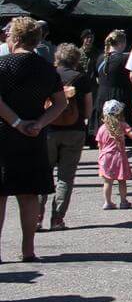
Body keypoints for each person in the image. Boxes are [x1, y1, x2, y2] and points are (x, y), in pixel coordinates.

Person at [0, 17, 68, 263]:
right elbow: (61, 103)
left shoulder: (2, 65)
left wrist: (16, 122)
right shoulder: (47, 68)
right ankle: (28, 250)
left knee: (0, 195)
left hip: (4, 134)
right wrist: (39, 123)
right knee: (28, 195)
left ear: (15, 38)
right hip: (33, 136)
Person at [47, 43, 94, 230]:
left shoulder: (49, 75)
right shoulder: (81, 79)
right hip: (74, 130)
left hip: (49, 129)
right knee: (66, 177)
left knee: (44, 174)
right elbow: (89, 109)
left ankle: (37, 216)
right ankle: (57, 219)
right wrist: (83, 120)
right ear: (76, 59)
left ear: (57, 57)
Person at [92, 30, 132, 137]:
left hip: (101, 97)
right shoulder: (125, 58)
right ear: (122, 43)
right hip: (119, 98)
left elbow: (97, 77)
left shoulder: (100, 58)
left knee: (104, 130)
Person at [96, 99, 132, 209]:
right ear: (120, 113)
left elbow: (100, 146)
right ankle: (123, 202)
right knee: (121, 180)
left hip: (106, 157)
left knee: (107, 182)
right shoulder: (122, 125)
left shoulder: (102, 128)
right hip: (119, 156)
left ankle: (107, 202)